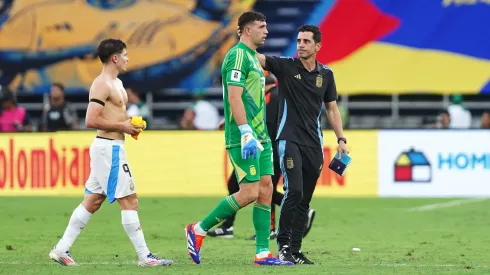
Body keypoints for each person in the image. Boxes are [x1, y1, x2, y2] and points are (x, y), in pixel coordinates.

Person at [48, 38, 173, 267]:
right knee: (130, 201)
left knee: (93, 201)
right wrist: (122, 127)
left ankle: (61, 249)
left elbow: (115, 116)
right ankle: (145, 257)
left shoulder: (117, 83)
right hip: (109, 149)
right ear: (114, 57)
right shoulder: (101, 84)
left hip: (110, 147)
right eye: (125, 54)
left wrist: (130, 124)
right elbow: (90, 119)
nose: (127, 58)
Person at [184, 11, 293, 266]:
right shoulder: (237, 55)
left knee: (266, 189)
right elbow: (234, 96)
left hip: (262, 136)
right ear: (246, 30)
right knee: (249, 192)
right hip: (244, 136)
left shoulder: (255, 58)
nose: (266, 31)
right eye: (262, 26)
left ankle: (262, 253)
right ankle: (198, 229)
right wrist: (245, 132)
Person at [253, 25, 349, 264]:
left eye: (306, 41)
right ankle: (283, 246)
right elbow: (256, 56)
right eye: (298, 41)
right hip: (288, 139)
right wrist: (245, 39)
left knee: (305, 199)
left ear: (318, 46)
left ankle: (295, 250)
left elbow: (332, 109)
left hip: (314, 144)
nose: (301, 45)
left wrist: (341, 139)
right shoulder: (285, 66)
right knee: (293, 191)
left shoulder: (326, 75)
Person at [208, 72, 316, 241]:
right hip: (274, 147)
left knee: (262, 188)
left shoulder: (272, 96)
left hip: (269, 148)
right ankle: (229, 226)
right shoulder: (276, 95)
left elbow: (266, 123)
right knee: (251, 186)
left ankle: (295, 214)